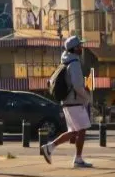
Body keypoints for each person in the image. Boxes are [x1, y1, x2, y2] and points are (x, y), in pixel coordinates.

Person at [40, 35, 93, 168]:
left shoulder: (65, 62)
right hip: (75, 101)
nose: (81, 47)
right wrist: (87, 98)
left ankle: (49, 148)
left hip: (67, 102)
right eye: (80, 46)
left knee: (74, 131)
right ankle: (78, 159)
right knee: (81, 130)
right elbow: (77, 85)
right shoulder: (74, 63)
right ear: (74, 48)